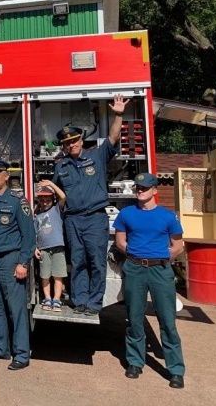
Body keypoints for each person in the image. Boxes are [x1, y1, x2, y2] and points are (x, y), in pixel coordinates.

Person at [52, 94, 127, 315]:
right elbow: (56, 193)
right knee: (78, 261)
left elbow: (113, 137)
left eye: (74, 140)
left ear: (81, 140)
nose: (71, 144)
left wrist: (119, 115)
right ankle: (80, 300)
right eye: (67, 143)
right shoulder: (61, 166)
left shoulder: (96, 157)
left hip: (95, 217)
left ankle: (94, 303)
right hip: (72, 219)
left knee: (96, 261)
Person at [113, 173, 185, 389]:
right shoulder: (126, 214)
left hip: (160, 271)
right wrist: (137, 257)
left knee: (167, 320)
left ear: (155, 190)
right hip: (135, 269)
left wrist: (160, 260)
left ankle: (176, 370)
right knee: (134, 317)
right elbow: (120, 242)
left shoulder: (168, 216)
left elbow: (177, 247)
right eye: (138, 187)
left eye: (144, 187)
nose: (140, 190)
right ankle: (135, 362)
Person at [0, 159, 35, 371]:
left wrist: (23, 263)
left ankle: (21, 354)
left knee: (17, 309)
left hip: (11, 259)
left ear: (6, 176)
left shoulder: (17, 202)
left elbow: (29, 236)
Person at [33, 180, 67, 312]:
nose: (45, 203)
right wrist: (35, 247)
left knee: (58, 274)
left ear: (53, 199)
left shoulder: (57, 210)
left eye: (48, 200)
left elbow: (63, 197)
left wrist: (51, 185)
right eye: (42, 201)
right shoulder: (37, 215)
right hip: (43, 249)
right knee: (45, 275)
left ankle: (56, 299)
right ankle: (47, 298)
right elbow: (35, 233)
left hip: (58, 247)